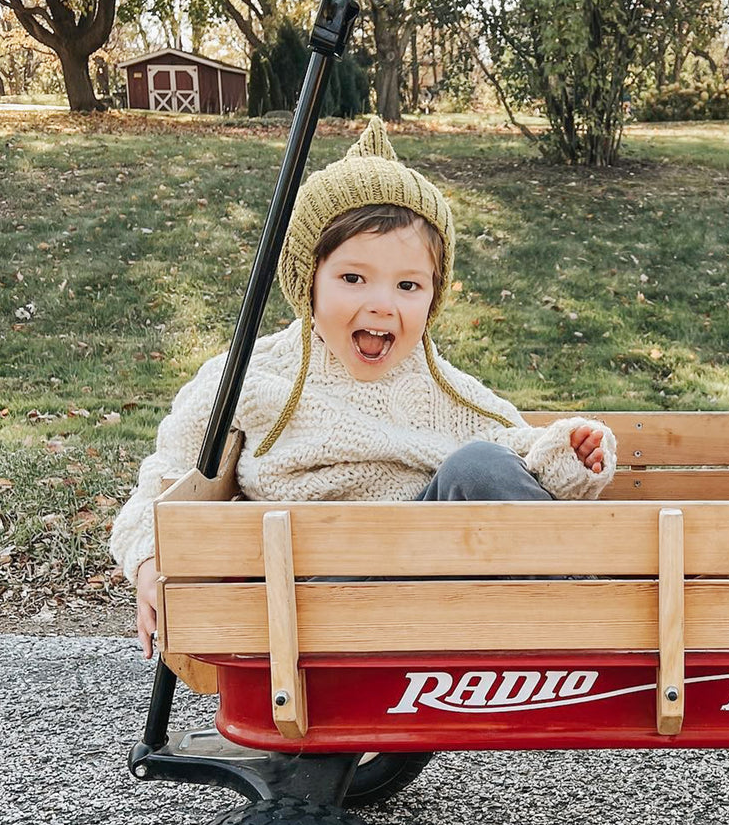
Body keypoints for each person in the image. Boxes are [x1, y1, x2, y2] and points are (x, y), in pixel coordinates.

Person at [111, 117, 616, 658]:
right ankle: (385, 723)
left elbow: (522, 457)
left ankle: (583, 622)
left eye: (407, 285)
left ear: (431, 297)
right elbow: (163, 481)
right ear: (309, 279)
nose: (381, 303)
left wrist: (572, 454)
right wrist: (147, 562)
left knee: (478, 465)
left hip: (427, 581)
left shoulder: (444, 389)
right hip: (310, 594)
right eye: (353, 278)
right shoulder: (251, 377)